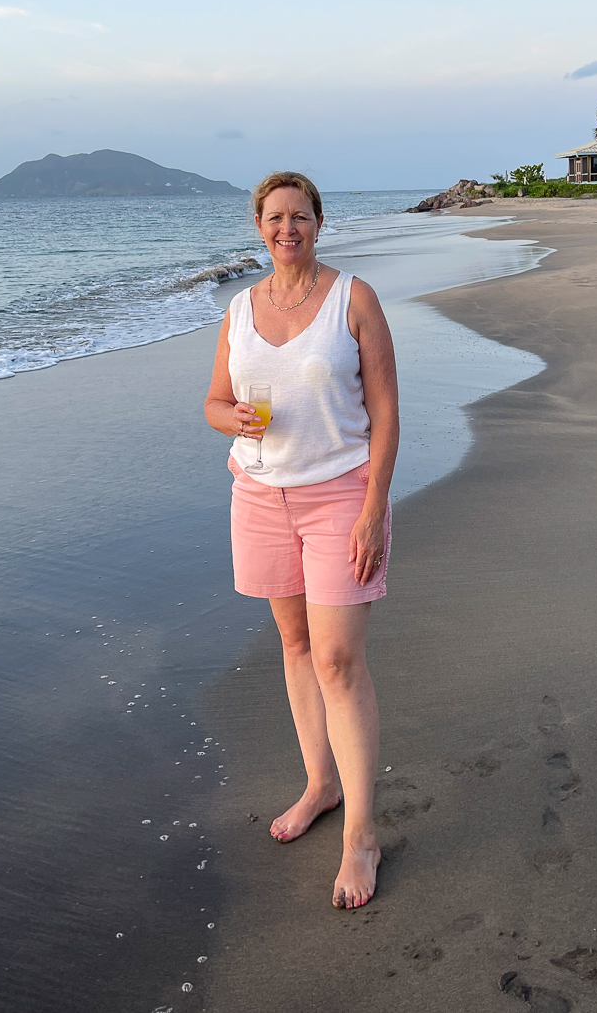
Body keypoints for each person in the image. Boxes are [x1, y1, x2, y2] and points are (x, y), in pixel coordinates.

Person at [204, 171, 399, 909]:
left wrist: (373, 506)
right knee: (293, 647)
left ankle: (363, 834)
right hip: (257, 496)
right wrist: (231, 422)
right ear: (258, 227)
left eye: (300, 216)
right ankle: (319, 784)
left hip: (339, 494)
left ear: (320, 222)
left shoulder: (354, 299)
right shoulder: (240, 307)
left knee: (339, 660)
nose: (287, 228)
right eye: (274, 217)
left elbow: (384, 409)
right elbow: (215, 401)